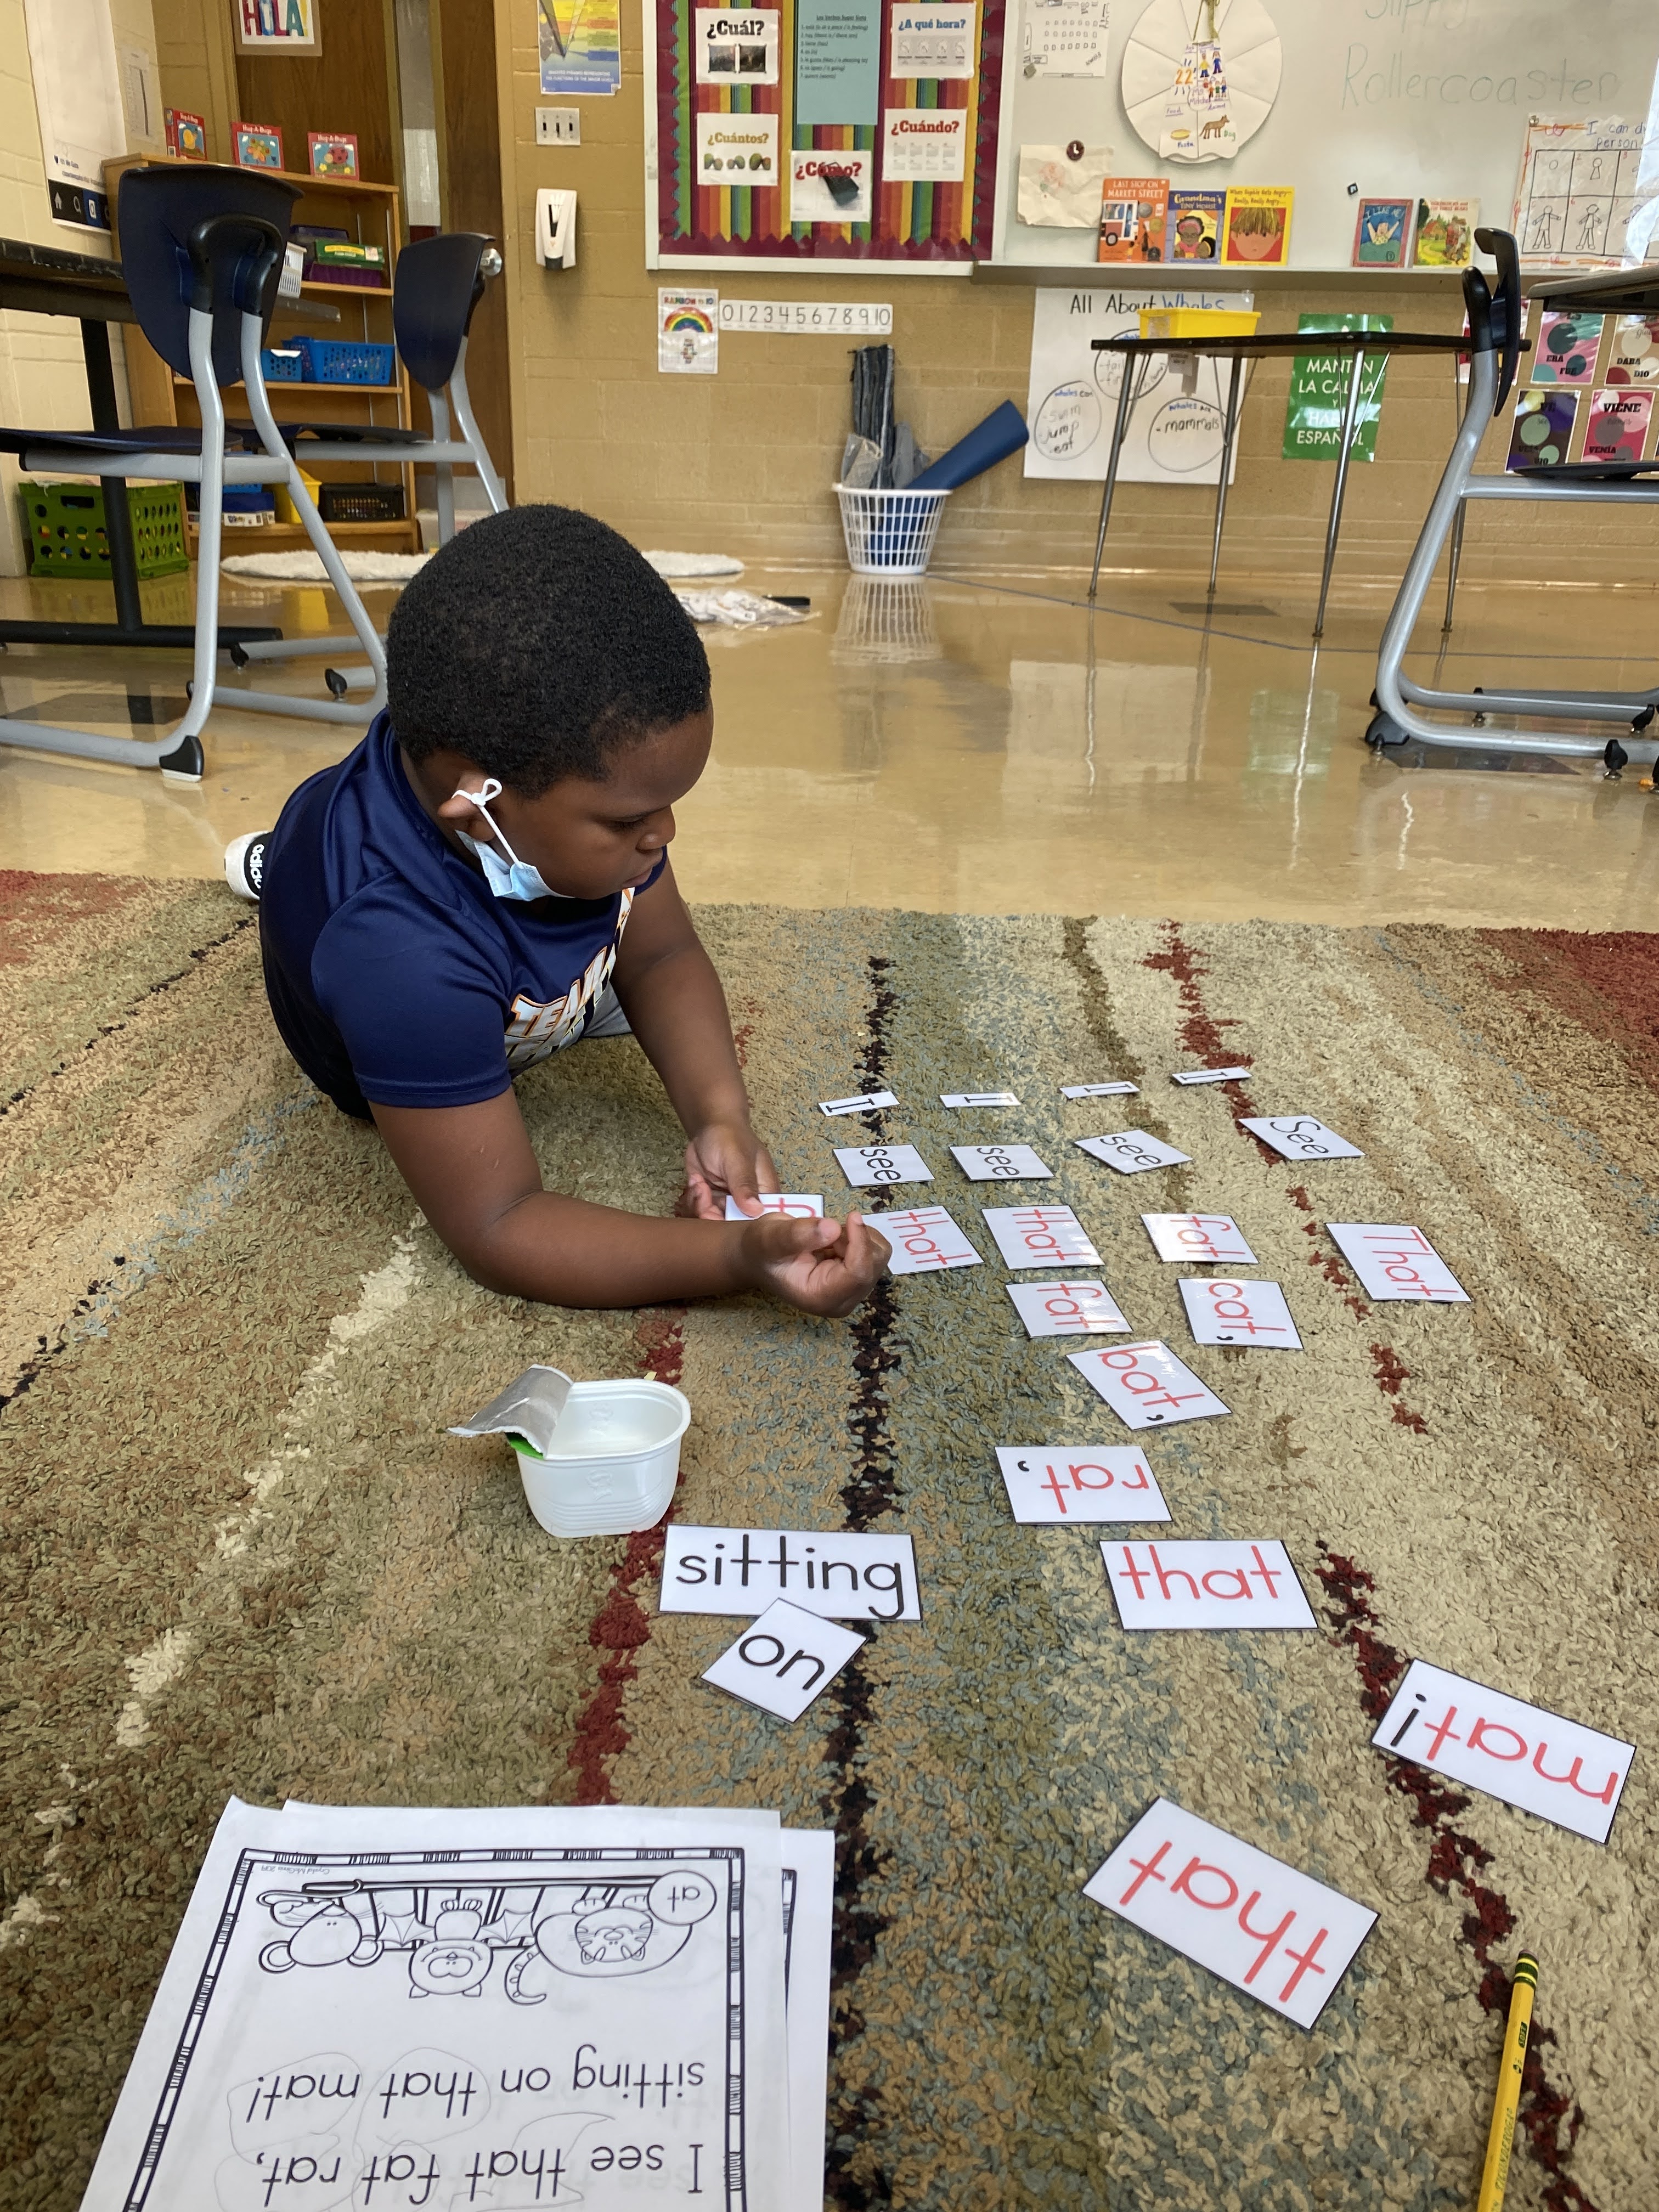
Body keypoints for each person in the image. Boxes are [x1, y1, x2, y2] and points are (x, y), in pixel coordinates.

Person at [229, 505, 888, 1317]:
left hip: (487, 891)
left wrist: (721, 1115)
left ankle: (278, 859)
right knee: (365, 904)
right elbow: (501, 1228)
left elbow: (661, 956)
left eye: (668, 806)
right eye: (628, 821)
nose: (666, 835)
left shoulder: (578, 808)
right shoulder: (398, 954)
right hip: (399, 990)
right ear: (482, 809)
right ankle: (276, 865)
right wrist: (738, 1255)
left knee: (594, 919)